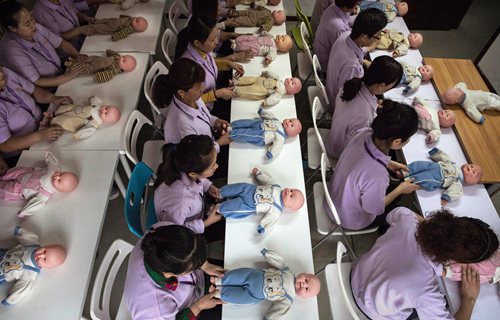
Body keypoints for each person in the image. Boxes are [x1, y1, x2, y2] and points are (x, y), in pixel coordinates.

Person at [351, 207, 490, 319]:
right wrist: (469, 300)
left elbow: (395, 213)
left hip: (356, 272)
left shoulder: (406, 221)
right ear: (455, 261)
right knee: (441, 305)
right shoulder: (426, 292)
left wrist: (433, 230)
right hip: (368, 308)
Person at [325, 101, 420, 230]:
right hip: (345, 217)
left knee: (392, 189)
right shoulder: (378, 175)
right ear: (397, 141)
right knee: (397, 205)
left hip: (332, 196)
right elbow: (372, 209)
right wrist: (400, 190)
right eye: (408, 138)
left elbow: (364, 158)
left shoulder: (364, 133)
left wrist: (388, 163)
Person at [124, 223, 225, 320]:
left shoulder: (162, 232)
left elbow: (190, 251)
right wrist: (198, 306)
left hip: (196, 283)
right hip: (189, 309)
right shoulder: (153, 308)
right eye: (192, 268)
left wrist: (205, 265)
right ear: (169, 274)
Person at [327, 55, 403, 158]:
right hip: (340, 153)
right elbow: (356, 150)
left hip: (335, 136)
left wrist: (373, 106)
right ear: (381, 85)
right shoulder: (365, 116)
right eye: (390, 87)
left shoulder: (351, 85)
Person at [154, 135, 224, 242]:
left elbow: (199, 177)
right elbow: (175, 231)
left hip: (196, 209)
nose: (217, 166)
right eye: (212, 166)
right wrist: (206, 223)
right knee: (227, 226)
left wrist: (209, 187)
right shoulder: (181, 201)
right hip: (183, 234)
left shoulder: (181, 164)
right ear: (193, 173)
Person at [0, 1, 85, 89]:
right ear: (13, 28)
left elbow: (60, 43)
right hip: (49, 90)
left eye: (32, 18)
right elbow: (37, 81)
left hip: (61, 73)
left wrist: (76, 55)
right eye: (27, 24)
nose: (33, 25)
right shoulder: (12, 51)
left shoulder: (36, 27)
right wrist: (67, 76)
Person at [153, 58, 230, 153]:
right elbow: (198, 157)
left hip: (208, 143)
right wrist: (219, 143)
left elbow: (203, 114)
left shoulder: (191, 98)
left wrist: (215, 122)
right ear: (181, 92)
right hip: (198, 160)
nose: (203, 88)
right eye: (198, 87)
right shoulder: (183, 123)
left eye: (202, 83)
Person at [0, 66, 71, 166]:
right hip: (23, 151)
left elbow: (33, 91)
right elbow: (4, 145)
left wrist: (52, 98)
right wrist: (38, 136)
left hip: (44, 126)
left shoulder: (6, 73)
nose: (2, 74)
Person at [175, 14, 244, 112]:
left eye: (216, 37)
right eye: (212, 40)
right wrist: (216, 94)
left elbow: (208, 63)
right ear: (197, 42)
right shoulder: (188, 67)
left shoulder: (201, 50)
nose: (216, 42)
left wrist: (228, 64)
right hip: (204, 109)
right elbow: (190, 102)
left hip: (213, 95)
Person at [326, 8, 388, 112]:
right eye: (377, 36)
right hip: (338, 105)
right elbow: (347, 96)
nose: (379, 39)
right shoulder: (352, 66)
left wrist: (366, 51)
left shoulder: (345, 35)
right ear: (364, 37)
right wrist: (373, 104)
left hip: (330, 87)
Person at [31, 0, 96, 50]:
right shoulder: (40, 12)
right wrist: (80, 30)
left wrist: (86, 18)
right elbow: (58, 38)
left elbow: (75, 11)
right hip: (69, 50)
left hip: (82, 40)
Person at [314, 0, 359, 71]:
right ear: (347, 5)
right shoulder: (339, 28)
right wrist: (369, 48)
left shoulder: (332, 9)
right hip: (326, 68)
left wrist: (361, 17)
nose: (357, 7)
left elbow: (347, 20)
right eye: (357, 4)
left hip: (320, 55)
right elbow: (348, 52)